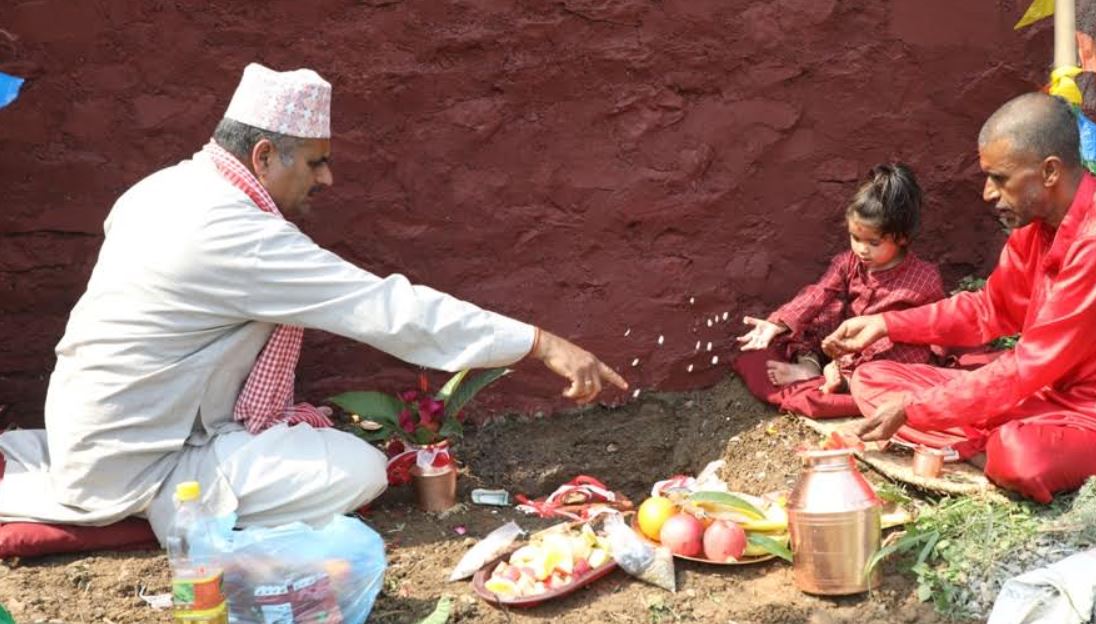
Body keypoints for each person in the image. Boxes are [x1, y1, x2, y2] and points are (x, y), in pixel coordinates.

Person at [0, 64, 626, 542]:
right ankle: (143, 505)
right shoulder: (233, 233)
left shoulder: (163, 189)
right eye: (318, 163)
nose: (327, 180)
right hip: (141, 457)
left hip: (103, 421)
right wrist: (541, 343)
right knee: (359, 471)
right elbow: (388, 309)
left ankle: (63, 465)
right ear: (264, 156)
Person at [823, 93, 1096, 503]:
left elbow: (1029, 365)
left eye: (999, 178)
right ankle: (983, 438)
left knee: (1020, 456)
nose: (987, 193)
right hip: (1043, 394)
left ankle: (986, 441)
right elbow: (989, 310)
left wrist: (915, 410)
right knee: (873, 378)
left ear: (1049, 172)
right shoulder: (1034, 226)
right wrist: (886, 324)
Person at [733, 164, 944, 419]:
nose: (862, 250)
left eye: (873, 243)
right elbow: (817, 293)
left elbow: (936, 326)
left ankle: (844, 381)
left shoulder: (924, 278)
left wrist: (940, 361)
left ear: (901, 238)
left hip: (885, 354)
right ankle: (809, 368)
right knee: (814, 318)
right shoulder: (847, 262)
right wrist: (778, 323)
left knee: (902, 350)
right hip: (844, 345)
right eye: (856, 238)